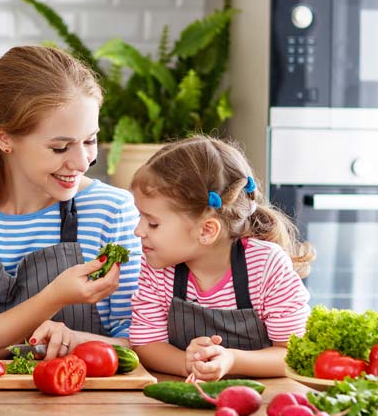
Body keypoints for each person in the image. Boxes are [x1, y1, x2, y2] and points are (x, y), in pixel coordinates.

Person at [0, 45, 142, 361]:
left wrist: (77, 340)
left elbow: (141, 339)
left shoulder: (111, 211)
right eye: (60, 148)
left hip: (88, 402)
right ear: (4, 139)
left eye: (90, 140)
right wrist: (54, 297)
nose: (82, 162)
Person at [128, 136, 314, 381]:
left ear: (206, 231)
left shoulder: (267, 266)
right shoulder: (157, 268)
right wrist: (187, 363)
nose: (138, 231)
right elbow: (145, 343)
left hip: (266, 400)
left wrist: (232, 360)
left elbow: (293, 354)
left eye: (152, 223)